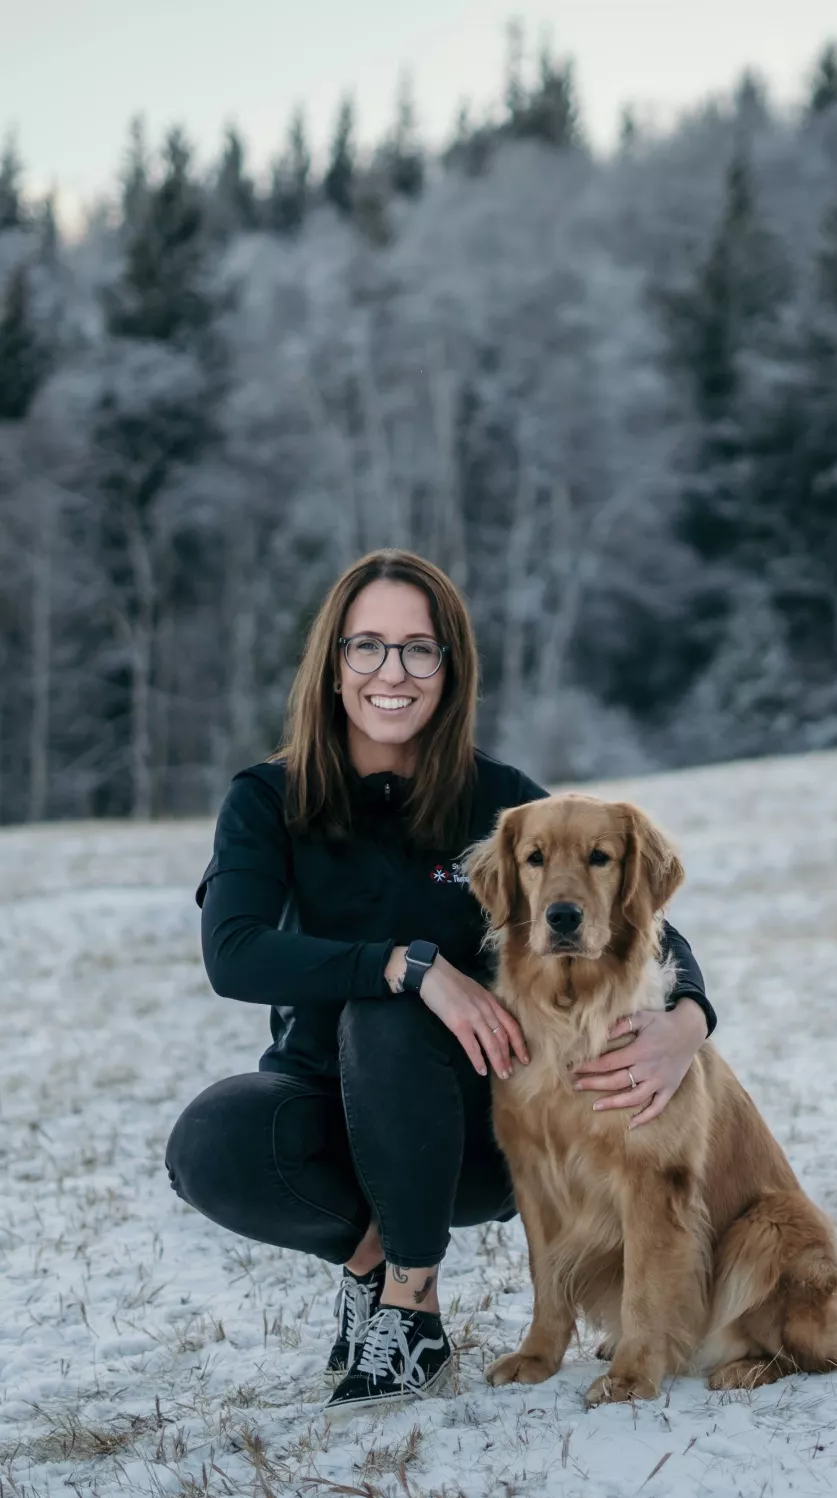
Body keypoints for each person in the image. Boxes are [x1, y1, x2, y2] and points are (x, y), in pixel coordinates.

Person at [165, 549, 717, 1416]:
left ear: (450, 669)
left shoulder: (497, 802)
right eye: (368, 647)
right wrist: (406, 965)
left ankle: (412, 1311)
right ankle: (373, 1261)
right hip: (325, 1107)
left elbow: (644, 914)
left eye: (420, 650)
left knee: (391, 1022)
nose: (394, 672)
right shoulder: (268, 798)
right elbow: (233, 952)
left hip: (476, 1133)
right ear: (333, 663)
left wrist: (689, 1020)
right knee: (211, 1142)